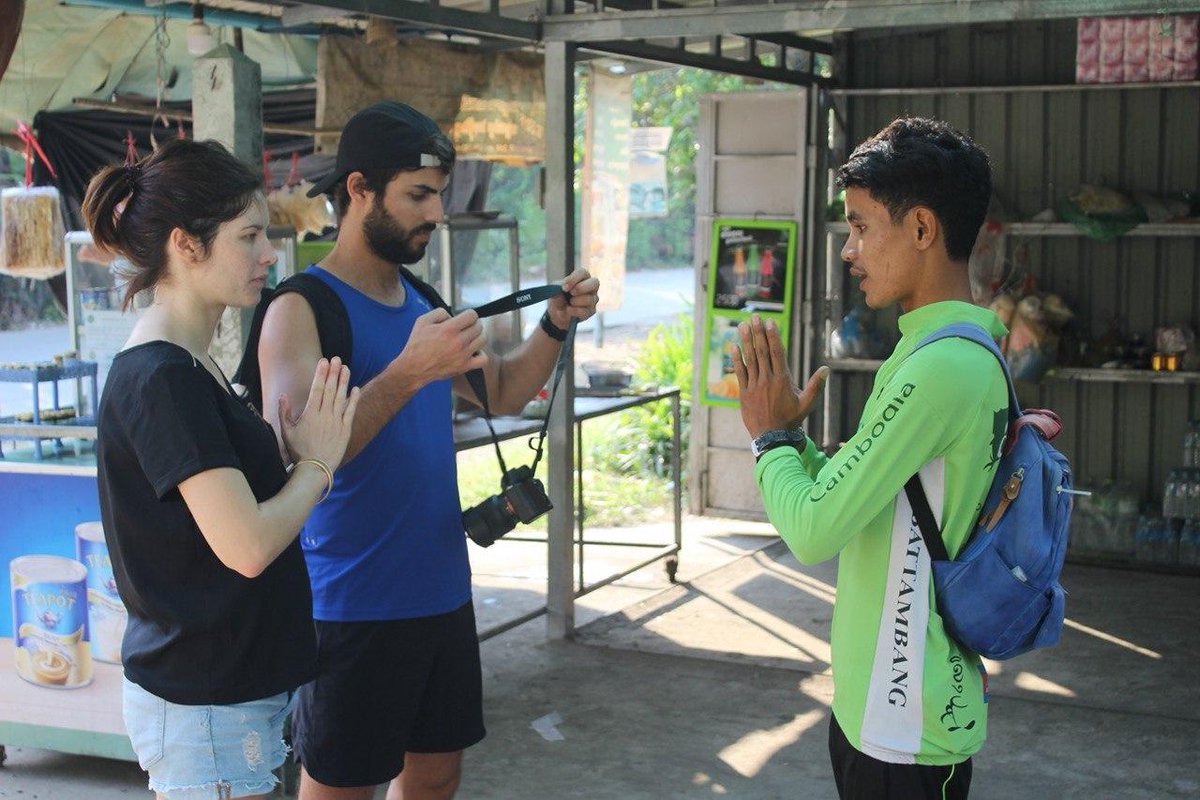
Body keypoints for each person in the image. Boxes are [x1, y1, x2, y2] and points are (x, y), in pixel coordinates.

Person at [256, 101, 600, 800]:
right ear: (358, 190)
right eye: (419, 194)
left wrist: (554, 325)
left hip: (440, 592)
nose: (436, 213)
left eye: (439, 194)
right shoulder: (300, 308)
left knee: (437, 777)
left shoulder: (421, 299)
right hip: (349, 602)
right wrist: (409, 371)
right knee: (342, 786)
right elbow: (298, 459)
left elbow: (501, 390)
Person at [733, 117, 1004, 800]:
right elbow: (852, 500)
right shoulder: (934, 351)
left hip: (905, 727)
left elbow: (814, 528)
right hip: (881, 709)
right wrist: (794, 443)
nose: (848, 251)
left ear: (921, 229)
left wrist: (767, 439)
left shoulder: (941, 369)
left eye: (859, 227)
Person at [84, 138, 360, 800]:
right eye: (250, 236)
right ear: (186, 244)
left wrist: (287, 459)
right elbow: (248, 546)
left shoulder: (189, 362)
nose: (269, 254)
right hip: (205, 703)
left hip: (223, 691)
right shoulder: (163, 377)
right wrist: (317, 463)